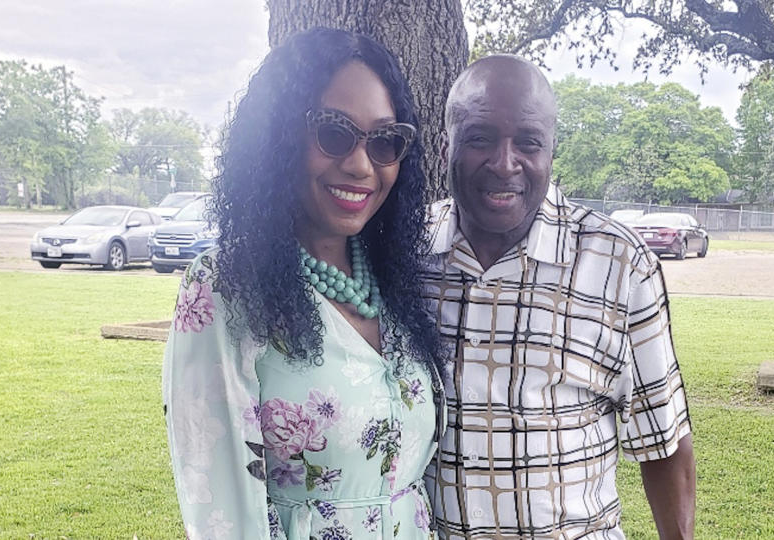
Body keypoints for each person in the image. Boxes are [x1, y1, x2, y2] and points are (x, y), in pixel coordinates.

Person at [162, 28, 447, 540]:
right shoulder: (226, 290)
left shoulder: (395, 285)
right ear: (279, 138)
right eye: (334, 132)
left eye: (385, 142)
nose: (361, 165)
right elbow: (221, 512)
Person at [421, 55, 696, 539]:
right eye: (480, 138)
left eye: (528, 142)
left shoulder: (618, 262)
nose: (505, 163)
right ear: (447, 146)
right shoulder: (408, 254)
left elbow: (665, 446)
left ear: (551, 150)